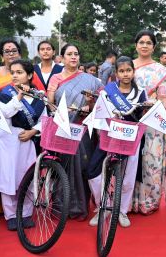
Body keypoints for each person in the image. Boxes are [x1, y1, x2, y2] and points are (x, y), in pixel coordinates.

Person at [88, 56, 146, 228]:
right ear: (116, 73)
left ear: (133, 72)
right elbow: (99, 112)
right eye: (122, 71)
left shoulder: (141, 92)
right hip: (109, 137)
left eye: (128, 70)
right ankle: (103, 207)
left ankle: (122, 210)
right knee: (93, 171)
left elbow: (142, 117)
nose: (125, 74)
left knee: (127, 178)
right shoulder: (108, 91)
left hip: (130, 139)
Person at [47, 43, 102, 220]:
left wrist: (89, 105)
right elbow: (50, 103)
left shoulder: (90, 79)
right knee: (62, 167)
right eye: (69, 54)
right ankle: (61, 206)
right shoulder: (56, 78)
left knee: (82, 167)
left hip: (82, 128)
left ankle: (80, 206)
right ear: (62, 58)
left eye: (76, 54)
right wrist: (62, 112)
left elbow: (100, 102)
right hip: (62, 128)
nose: (73, 57)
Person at [0, 60, 45, 231]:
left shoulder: (38, 97)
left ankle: (26, 213)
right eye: (12, 72)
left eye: (19, 72)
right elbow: (5, 112)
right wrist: (19, 96)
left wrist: (33, 132)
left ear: (29, 75)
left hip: (26, 141)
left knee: (25, 176)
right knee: (8, 177)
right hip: (7, 141)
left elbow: (45, 120)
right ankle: (11, 215)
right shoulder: (5, 93)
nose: (15, 75)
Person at [131, 29, 166, 214]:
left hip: (153, 122)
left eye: (148, 43)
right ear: (136, 45)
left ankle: (148, 202)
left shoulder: (161, 71)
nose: (144, 46)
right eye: (141, 42)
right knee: (131, 159)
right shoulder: (127, 66)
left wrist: (153, 103)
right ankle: (128, 201)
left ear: (154, 47)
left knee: (151, 159)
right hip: (130, 119)